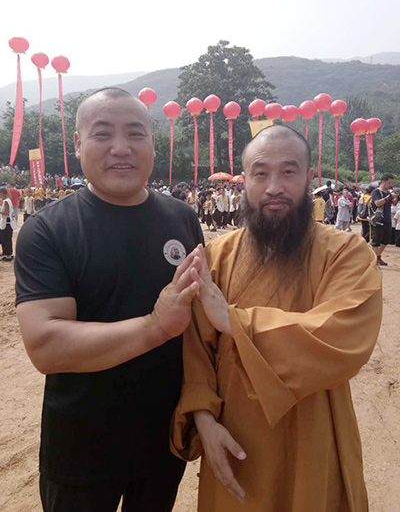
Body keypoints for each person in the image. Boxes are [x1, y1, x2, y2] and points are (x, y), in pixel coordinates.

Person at [171, 125, 382, 511]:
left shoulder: (346, 252)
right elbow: (195, 352)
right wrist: (204, 420)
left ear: (308, 178)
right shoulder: (216, 256)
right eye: (261, 173)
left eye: (288, 172)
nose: (274, 187)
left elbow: (344, 334)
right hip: (235, 438)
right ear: (245, 179)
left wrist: (235, 322)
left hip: (314, 432)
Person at [15, 88, 204, 512]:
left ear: (152, 144)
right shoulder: (48, 232)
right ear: (79, 144)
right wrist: (155, 326)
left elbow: (200, 321)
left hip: (162, 442)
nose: (121, 148)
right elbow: (46, 346)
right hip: (81, 450)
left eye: (135, 133)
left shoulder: (182, 218)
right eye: (103, 134)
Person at [370, 173, 396, 266]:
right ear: (383, 182)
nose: (391, 185)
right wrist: (387, 197)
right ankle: (373, 259)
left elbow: (392, 203)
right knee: (376, 241)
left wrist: (395, 198)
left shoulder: (388, 193)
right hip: (378, 220)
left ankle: (378, 256)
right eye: (389, 183)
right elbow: (377, 203)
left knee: (386, 240)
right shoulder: (376, 192)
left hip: (387, 219)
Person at [0, 187, 18, 261]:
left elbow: (5, 212)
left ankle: (8, 254)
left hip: (7, 222)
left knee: (6, 238)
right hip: (7, 222)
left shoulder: (6, 201)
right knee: (4, 238)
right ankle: (5, 252)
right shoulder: (7, 200)